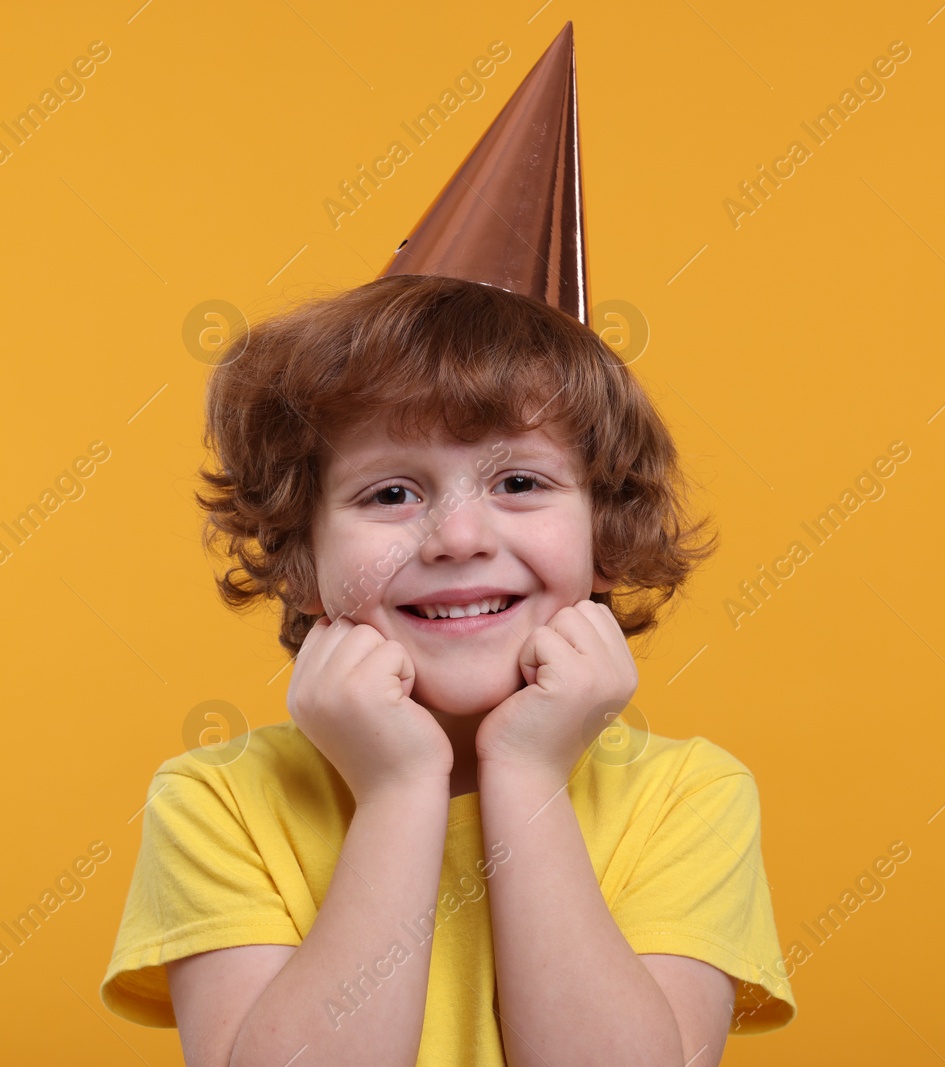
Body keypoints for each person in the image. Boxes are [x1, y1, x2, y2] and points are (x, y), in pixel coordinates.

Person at [99, 22, 795, 1066]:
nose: (460, 534)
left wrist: (524, 772)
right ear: (299, 553)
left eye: (518, 481)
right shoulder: (220, 803)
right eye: (390, 492)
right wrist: (396, 789)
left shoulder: (686, 798)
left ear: (605, 529)